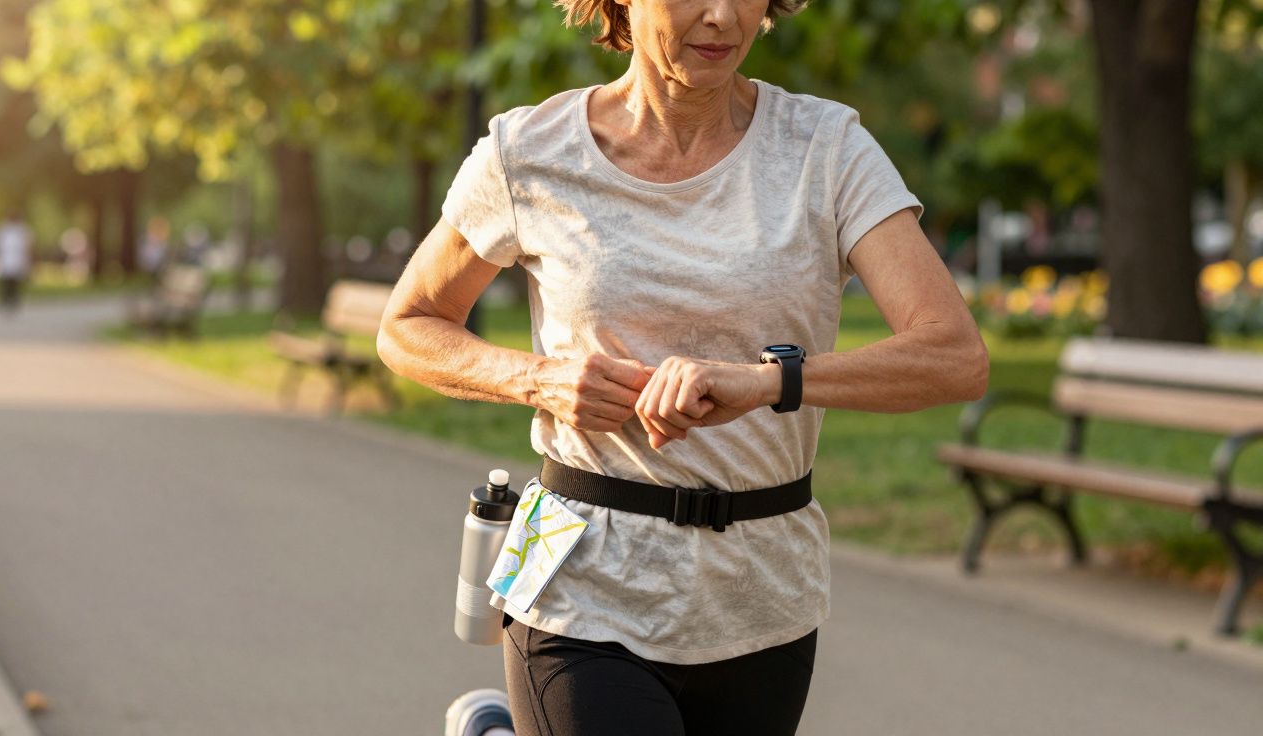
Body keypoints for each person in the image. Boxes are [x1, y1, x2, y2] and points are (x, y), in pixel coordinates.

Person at [378, 0, 989, 731]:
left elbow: (954, 356)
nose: (722, 15)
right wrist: (540, 379)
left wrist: (769, 382)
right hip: (577, 581)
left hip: (762, 592)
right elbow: (408, 326)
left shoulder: (825, 149)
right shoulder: (528, 150)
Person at [0, 211, 33, 315]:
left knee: (16, 282)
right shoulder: (2, 230)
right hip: (5, 259)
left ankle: (14, 301)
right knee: (5, 281)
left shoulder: (23, 230)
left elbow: (27, 246)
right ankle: (5, 300)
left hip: (18, 259)